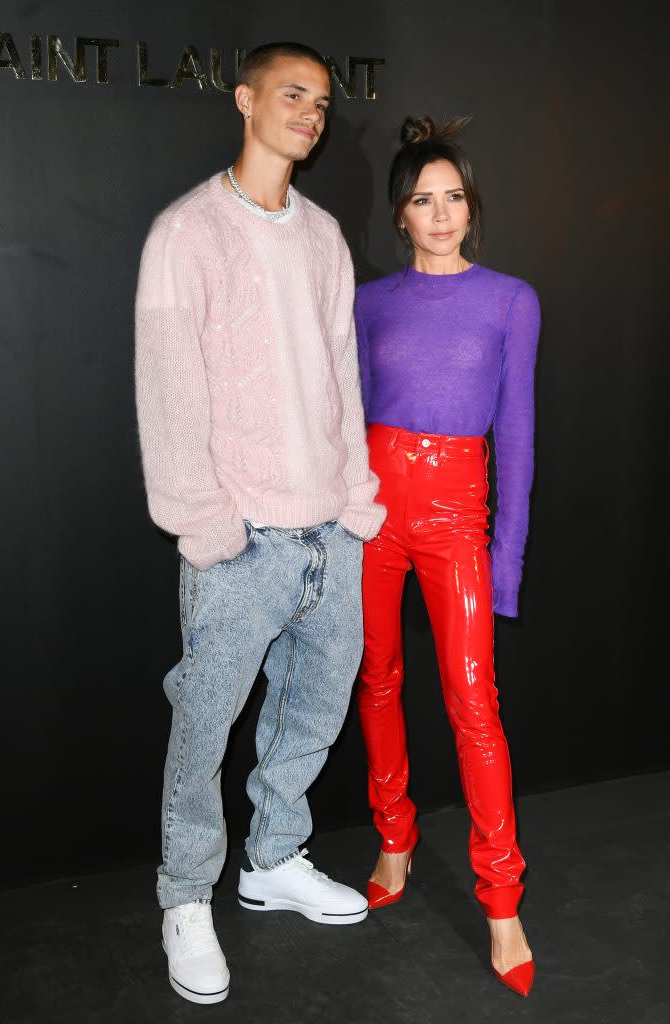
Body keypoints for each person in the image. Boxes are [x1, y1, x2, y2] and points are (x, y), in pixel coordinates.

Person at [135, 41, 385, 1005]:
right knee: (204, 728)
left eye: (322, 103)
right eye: (292, 95)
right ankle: (185, 896)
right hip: (238, 542)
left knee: (312, 717)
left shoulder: (321, 236)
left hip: (329, 529)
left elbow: (340, 375)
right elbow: (168, 392)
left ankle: (272, 858)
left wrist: (354, 499)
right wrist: (204, 526)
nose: (310, 115)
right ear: (244, 100)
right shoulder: (187, 233)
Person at [355, 115, 540, 997]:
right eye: (422, 200)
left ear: (470, 208)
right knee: (377, 679)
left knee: (473, 702)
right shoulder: (368, 302)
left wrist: (505, 562)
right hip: (371, 511)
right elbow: (339, 419)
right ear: (399, 214)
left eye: (453, 198)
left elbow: (519, 435)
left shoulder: (509, 298)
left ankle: (501, 899)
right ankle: (393, 841)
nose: (439, 214)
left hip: (457, 515)